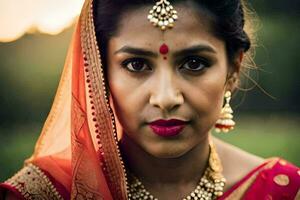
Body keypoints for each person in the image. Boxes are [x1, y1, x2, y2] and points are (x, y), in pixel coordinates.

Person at [1, 0, 299, 199]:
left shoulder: (282, 190)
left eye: (194, 63)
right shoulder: (46, 193)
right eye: (136, 65)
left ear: (233, 68)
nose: (166, 98)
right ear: (99, 72)